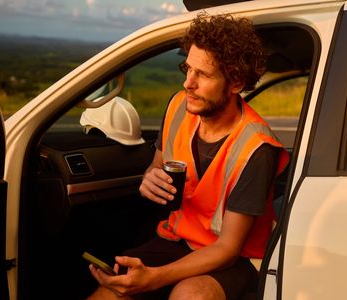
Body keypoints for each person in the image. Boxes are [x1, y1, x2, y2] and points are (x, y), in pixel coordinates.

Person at [87, 12, 289, 300]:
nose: (188, 83)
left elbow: (228, 248)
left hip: (234, 257)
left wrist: (155, 278)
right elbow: (156, 166)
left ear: (234, 83)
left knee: (190, 294)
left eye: (203, 74)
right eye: (187, 69)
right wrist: (148, 179)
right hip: (175, 239)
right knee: (111, 289)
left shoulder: (257, 148)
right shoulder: (179, 106)